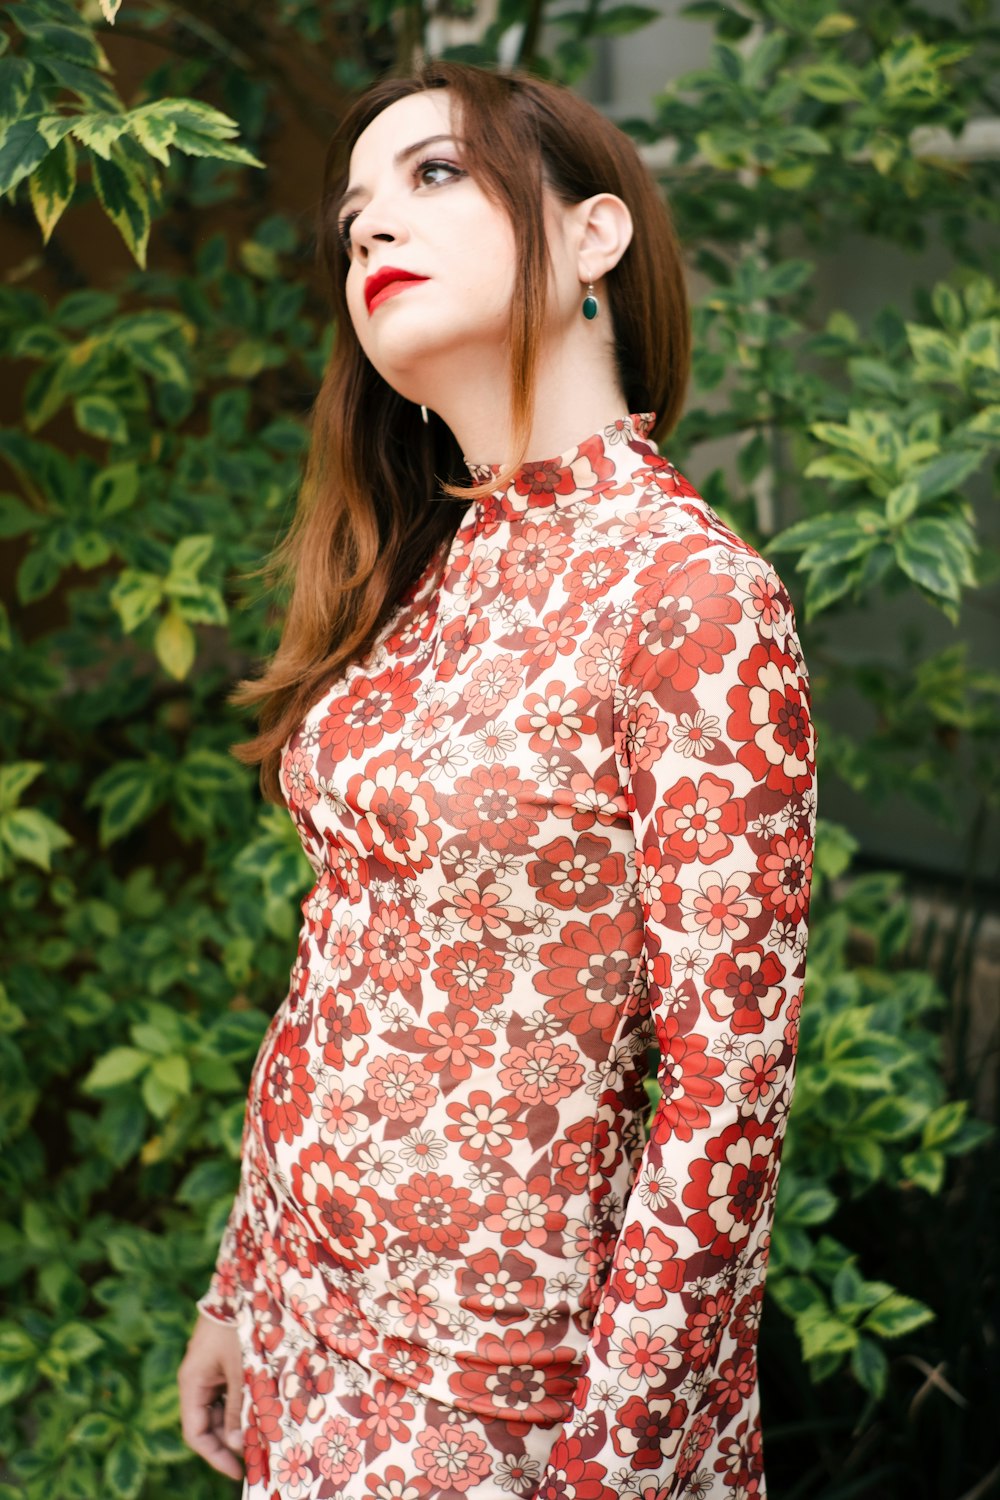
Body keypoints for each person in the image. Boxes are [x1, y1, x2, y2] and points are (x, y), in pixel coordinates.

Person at [177, 57, 817, 1500]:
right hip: (306, 1330)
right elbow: (339, 957)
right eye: (352, 223)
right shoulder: (424, 574)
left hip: (505, 1399)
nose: (374, 233)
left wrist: (616, 1464)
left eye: (434, 175)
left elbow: (727, 1105)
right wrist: (236, 1285)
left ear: (594, 235)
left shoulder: (692, 599)